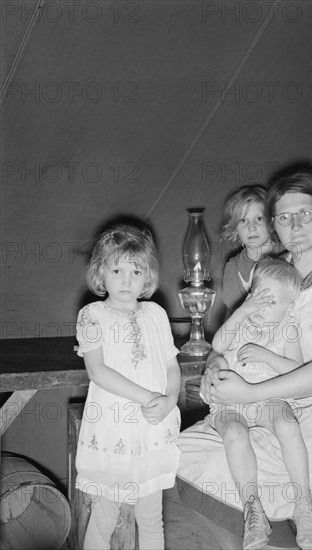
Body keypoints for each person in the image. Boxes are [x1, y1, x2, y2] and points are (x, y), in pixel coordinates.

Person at [187, 169, 312, 549]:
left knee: (281, 448)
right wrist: (216, 365)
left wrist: (249, 392)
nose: (295, 225)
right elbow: (232, 338)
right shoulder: (279, 273)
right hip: (284, 394)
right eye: (283, 217)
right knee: (195, 450)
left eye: (305, 213)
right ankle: (256, 520)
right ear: (274, 226)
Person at [75, 223, 181, 550]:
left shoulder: (157, 314)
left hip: (151, 430)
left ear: (147, 277)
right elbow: (98, 371)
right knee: (106, 512)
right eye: (117, 269)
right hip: (114, 430)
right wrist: (149, 397)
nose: (125, 280)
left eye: (136, 272)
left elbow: (170, 365)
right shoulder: (92, 315)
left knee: (151, 516)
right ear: (100, 273)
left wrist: (169, 400)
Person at [209, 256, 312, 550]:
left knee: (286, 422)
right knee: (234, 434)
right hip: (231, 402)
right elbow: (218, 345)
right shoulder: (241, 318)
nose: (260, 308)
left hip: (268, 397)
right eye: (257, 298)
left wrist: (267, 357)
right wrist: (242, 310)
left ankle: (303, 502)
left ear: (289, 307)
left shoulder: (288, 327)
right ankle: (253, 509)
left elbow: (297, 369)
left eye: (270, 303)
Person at [220, 184, 280, 316]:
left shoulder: (288, 255)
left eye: (259, 219)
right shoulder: (234, 267)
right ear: (235, 229)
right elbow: (233, 314)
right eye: (243, 221)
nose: (251, 227)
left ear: (271, 222)